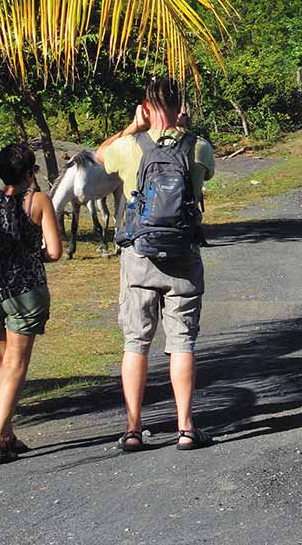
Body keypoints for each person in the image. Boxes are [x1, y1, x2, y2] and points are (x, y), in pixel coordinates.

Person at [96, 76, 215, 452]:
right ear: (181, 107)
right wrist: (183, 126)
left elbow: (100, 156)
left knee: (136, 343)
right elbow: (204, 178)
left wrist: (134, 125)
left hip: (138, 256)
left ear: (146, 108)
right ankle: (185, 427)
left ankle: (133, 428)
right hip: (183, 256)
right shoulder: (198, 148)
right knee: (182, 343)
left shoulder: (130, 147)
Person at [0, 143, 62, 463]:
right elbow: (55, 251)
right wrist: (32, 257)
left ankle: (7, 434)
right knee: (15, 366)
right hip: (24, 290)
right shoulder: (39, 201)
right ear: (30, 172)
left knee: (5, 367)